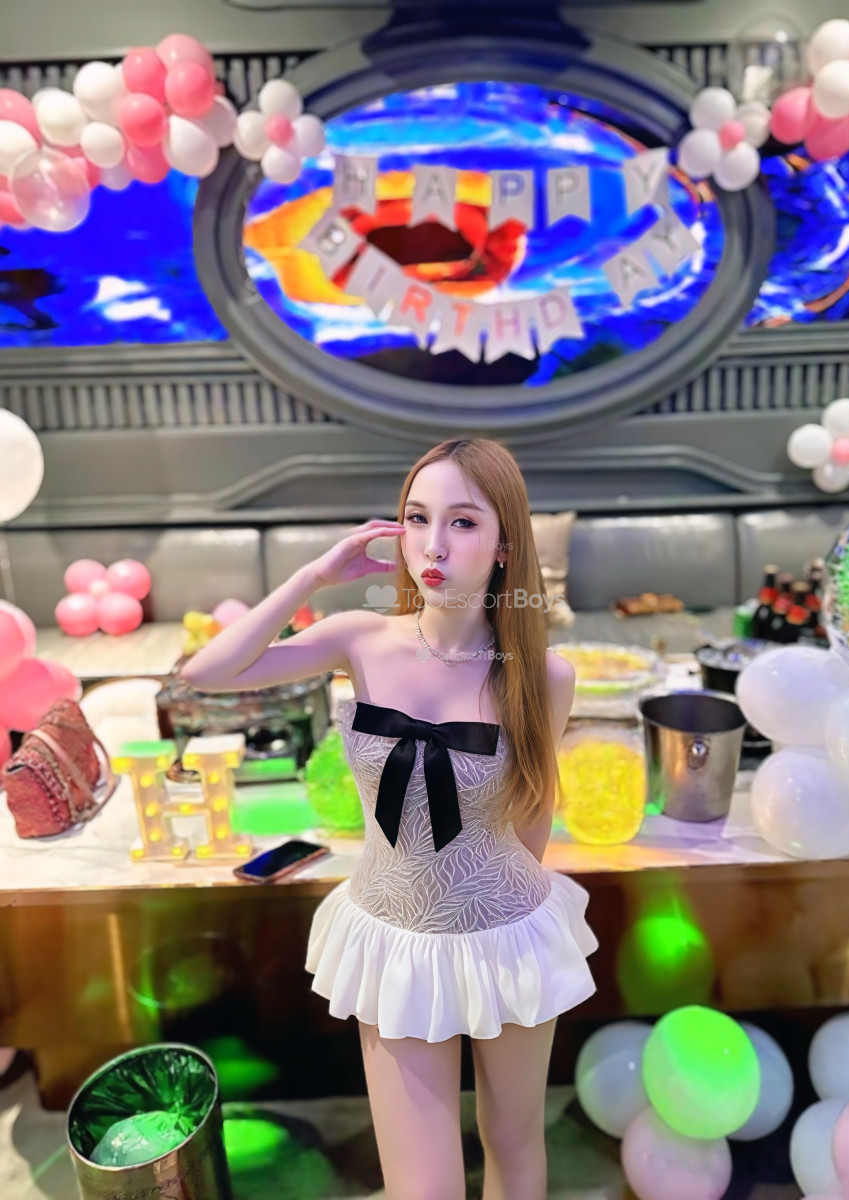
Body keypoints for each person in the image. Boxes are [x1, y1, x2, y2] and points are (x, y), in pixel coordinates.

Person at [180, 438, 599, 1200]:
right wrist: (313, 575)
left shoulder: (544, 676)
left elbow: (534, 818)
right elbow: (206, 673)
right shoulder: (360, 638)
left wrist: (490, 919)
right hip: (395, 938)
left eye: (463, 522)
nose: (432, 545)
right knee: (422, 1187)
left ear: (506, 545)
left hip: (507, 929)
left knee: (515, 1148)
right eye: (417, 518)